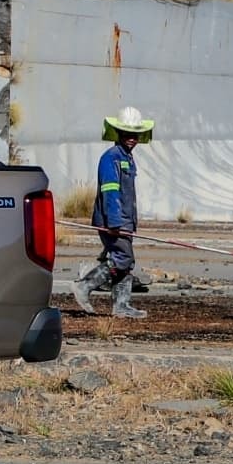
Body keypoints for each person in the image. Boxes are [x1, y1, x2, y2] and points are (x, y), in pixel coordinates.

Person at [73, 107, 152, 319]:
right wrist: (115, 220)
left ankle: (122, 306)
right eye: (127, 134)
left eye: (134, 135)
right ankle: (85, 286)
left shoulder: (127, 158)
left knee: (125, 260)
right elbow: (110, 190)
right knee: (123, 258)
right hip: (112, 220)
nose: (131, 139)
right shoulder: (111, 157)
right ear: (117, 133)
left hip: (125, 221)